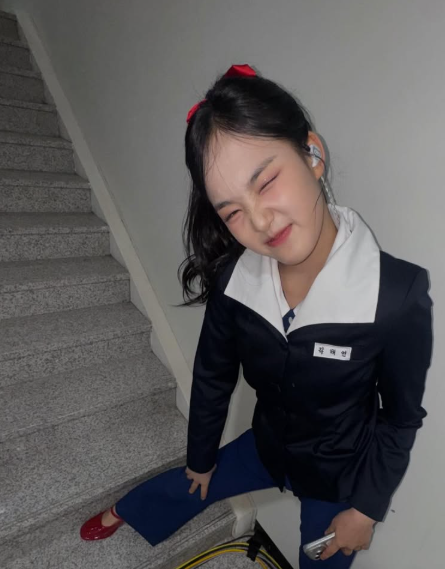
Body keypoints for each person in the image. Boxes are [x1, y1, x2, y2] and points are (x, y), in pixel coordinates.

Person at [80, 64, 433, 568]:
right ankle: (131, 510)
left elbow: (400, 419)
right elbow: (213, 376)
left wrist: (366, 510)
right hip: (268, 447)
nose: (261, 222)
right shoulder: (235, 280)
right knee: (194, 479)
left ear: (312, 153)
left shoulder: (395, 293)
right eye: (232, 211)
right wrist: (201, 458)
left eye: (265, 182)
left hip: (338, 474)